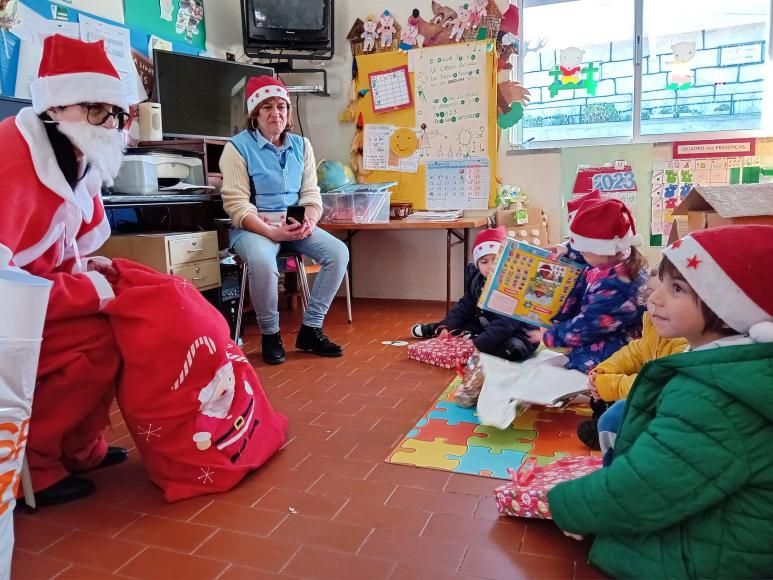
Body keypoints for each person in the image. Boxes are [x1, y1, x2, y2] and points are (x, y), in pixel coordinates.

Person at [0, 35, 287, 505]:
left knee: (123, 324)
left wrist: (94, 273)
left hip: (43, 296)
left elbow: (69, 246)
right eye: (97, 111)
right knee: (99, 339)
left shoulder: (76, 153)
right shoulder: (13, 158)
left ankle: (79, 446)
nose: (109, 125)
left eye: (115, 114)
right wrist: (88, 292)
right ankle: (38, 461)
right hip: (15, 312)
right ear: (57, 106)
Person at [548, 225, 773, 579]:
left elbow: (644, 490)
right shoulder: (728, 362)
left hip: (717, 556)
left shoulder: (713, 398)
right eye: (661, 282)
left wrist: (562, 504)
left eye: (677, 289)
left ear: (728, 307)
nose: (654, 298)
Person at [220, 76, 349, 365]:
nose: (275, 113)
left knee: (339, 252)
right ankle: (271, 334)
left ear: (288, 113)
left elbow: (311, 195)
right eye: (267, 107)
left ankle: (311, 329)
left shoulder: (302, 146)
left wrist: (310, 221)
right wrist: (270, 232)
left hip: (293, 225)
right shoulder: (237, 148)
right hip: (253, 228)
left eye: (281, 106)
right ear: (255, 113)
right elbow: (237, 205)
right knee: (263, 262)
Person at [577, 265, 688, 451]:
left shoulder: (684, 341)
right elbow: (635, 352)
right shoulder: (655, 326)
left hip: (666, 412)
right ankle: (603, 424)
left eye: (672, 293)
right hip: (650, 399)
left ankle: (618, 434)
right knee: (602, 398)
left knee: (621, 406)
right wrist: (605, 370)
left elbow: (653, 385)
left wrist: (607, 384)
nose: (654, 300)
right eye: (651, 293)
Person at [410, 227, 538, 362]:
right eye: (484, 262)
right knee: (459, 322)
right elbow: (464, 307)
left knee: (512, 349)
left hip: (517, 332)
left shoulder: (512, 286)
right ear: (477, 264)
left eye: (496, 259)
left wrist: (479, 344)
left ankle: (471, 337)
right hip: (486, 324)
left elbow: (504, 324)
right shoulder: (477, 280)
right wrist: (447, 326)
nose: (490, 266)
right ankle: (439, 328)